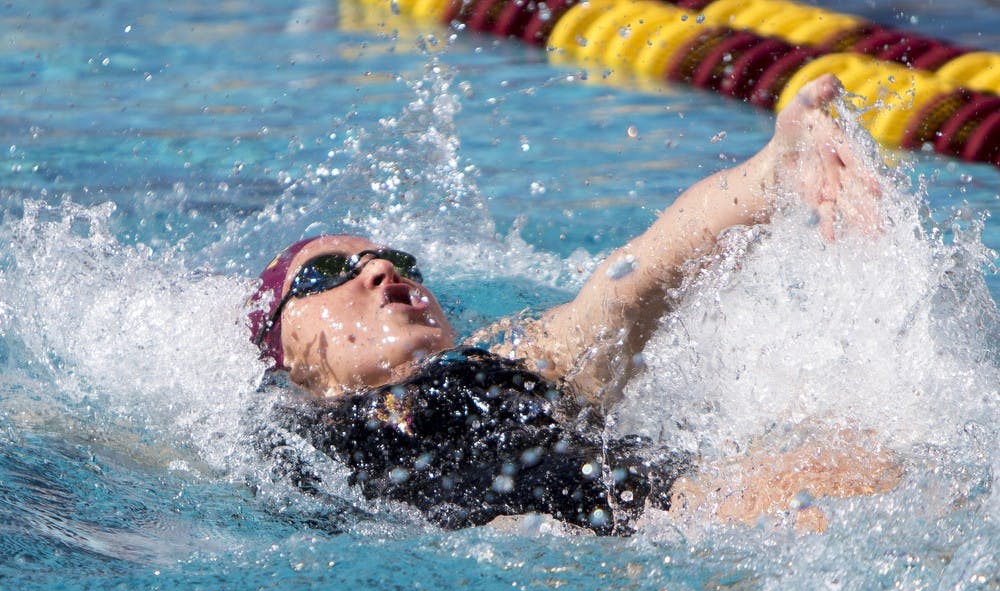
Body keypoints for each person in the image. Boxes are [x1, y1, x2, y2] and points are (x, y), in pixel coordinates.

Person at [245, 74, 899, 536]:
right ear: (286, 347)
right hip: (609, 544)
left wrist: (773, 173)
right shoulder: (279, 437)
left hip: (669, 519)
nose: (382, 268)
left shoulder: (507, 360)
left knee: (863, 471)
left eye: (398, 261)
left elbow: (631, 282)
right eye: (330, 271)